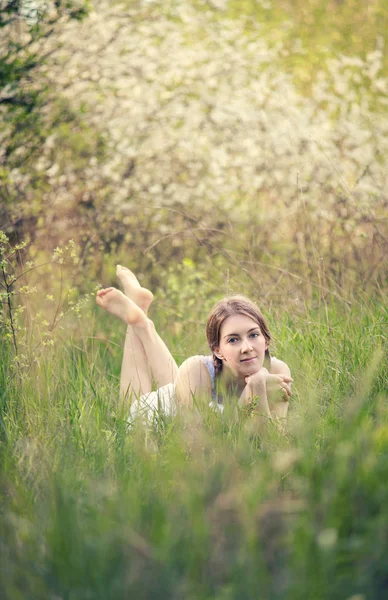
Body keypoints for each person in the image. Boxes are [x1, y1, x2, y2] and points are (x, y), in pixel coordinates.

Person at [96, 266, 292, 428]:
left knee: (177, 386)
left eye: (254, 335)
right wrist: (257, 384)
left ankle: (141, 316)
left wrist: (257, 385)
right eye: (233, 340)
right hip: (151, 418)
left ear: (266, 339)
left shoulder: (278, 370)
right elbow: (212, 440)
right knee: (129, 409)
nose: (247, 347)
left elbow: (271, 443)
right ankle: (139, 323)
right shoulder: (196, 370)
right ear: (217, 350)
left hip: (183, 395)